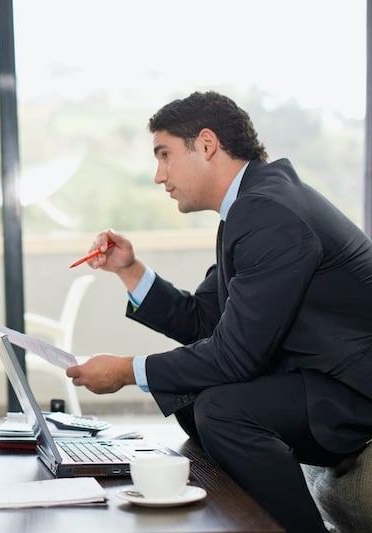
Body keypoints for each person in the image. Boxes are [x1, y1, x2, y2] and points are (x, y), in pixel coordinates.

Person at [66, 91, 372, 533]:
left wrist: (127, 371)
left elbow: (235, 356)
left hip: (353, 389)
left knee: (222, 410)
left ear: (206, 144)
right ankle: (229, 520)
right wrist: (129, 271)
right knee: (195, 398)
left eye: (165, 155)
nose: (159, 176)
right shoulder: (249, 207)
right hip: (317, 378)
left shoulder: (268, 211)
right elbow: (203, 320)